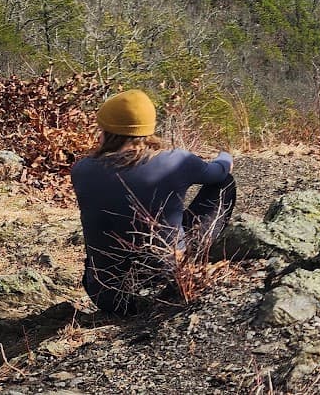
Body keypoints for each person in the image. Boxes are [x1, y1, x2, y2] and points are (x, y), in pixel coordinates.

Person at [70, 89, 235, 316]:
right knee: (225, 183)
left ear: (105, 131)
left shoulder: (81, 170)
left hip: (105, 295)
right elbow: (219, 172)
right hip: (165, 287)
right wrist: (225, 155)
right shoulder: (176, 161)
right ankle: (193, 256)